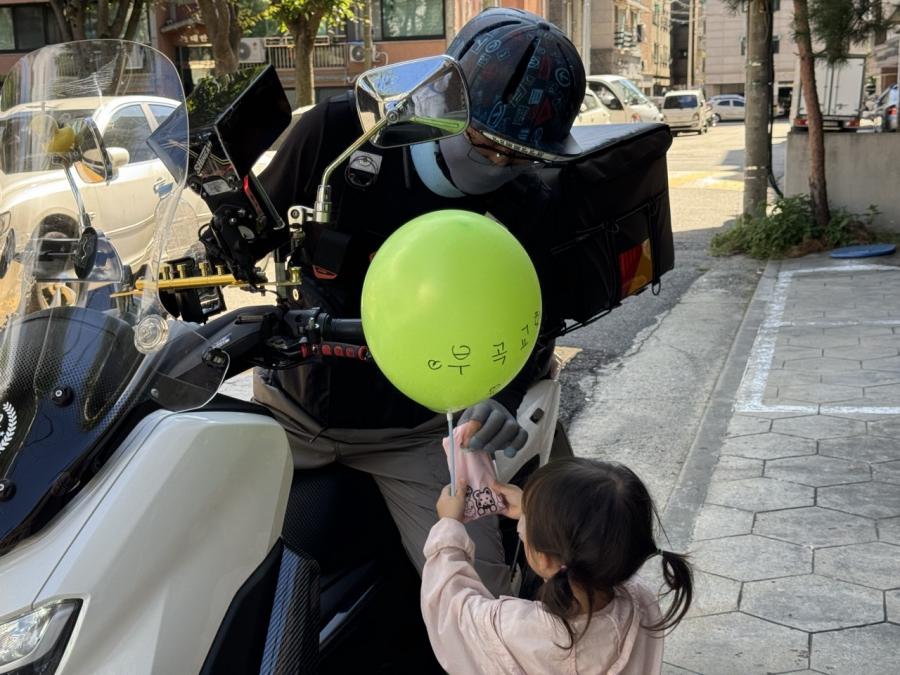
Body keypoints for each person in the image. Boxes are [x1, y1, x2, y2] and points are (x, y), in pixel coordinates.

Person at [254, 7, 586, 596]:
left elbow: (535, 318)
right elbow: (252, 226)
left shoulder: (528, 202)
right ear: (442, 94)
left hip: (413, 431)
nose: (496, 166)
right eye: (483, 143)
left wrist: (502, 397)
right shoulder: (341, 133)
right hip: (289, 408)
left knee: (481, 599)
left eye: (517, 156)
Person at [422, 458, 694, 674]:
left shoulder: (514, 629)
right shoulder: (641, 602)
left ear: (544, 559)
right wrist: (533, 511)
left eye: (527, 523)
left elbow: (449, 608)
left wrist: (449, 526)